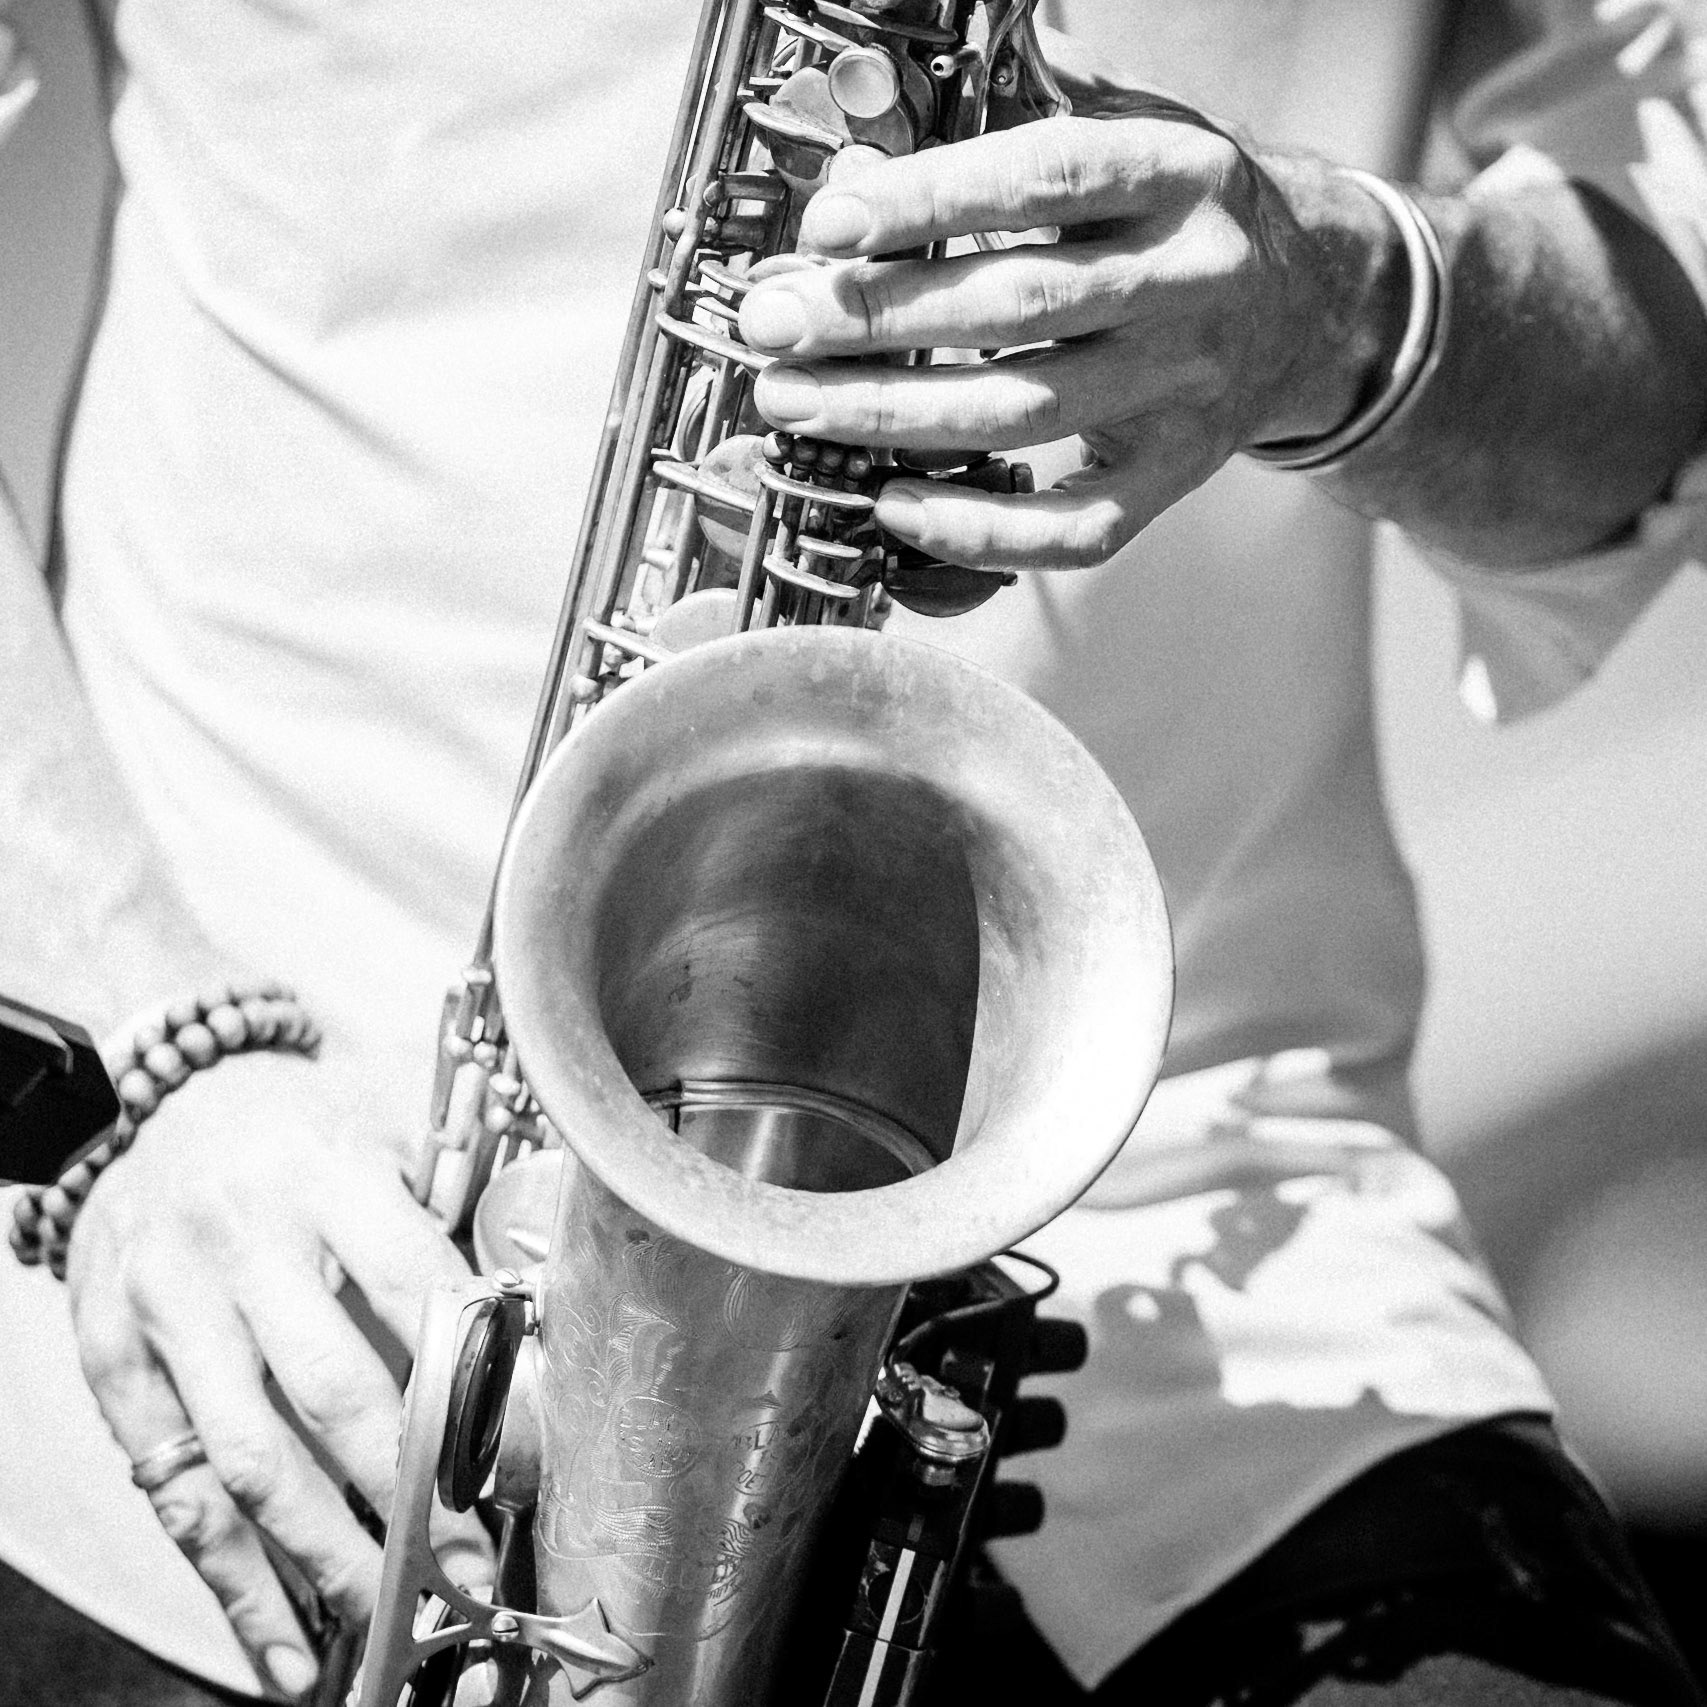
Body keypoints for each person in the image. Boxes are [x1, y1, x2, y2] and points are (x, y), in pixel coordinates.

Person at [0, 1, 1703, 1703]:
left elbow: (1662, 361)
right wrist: (152, 1070)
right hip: (282, 1237)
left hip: (1214, 1246)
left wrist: (1347, 309)